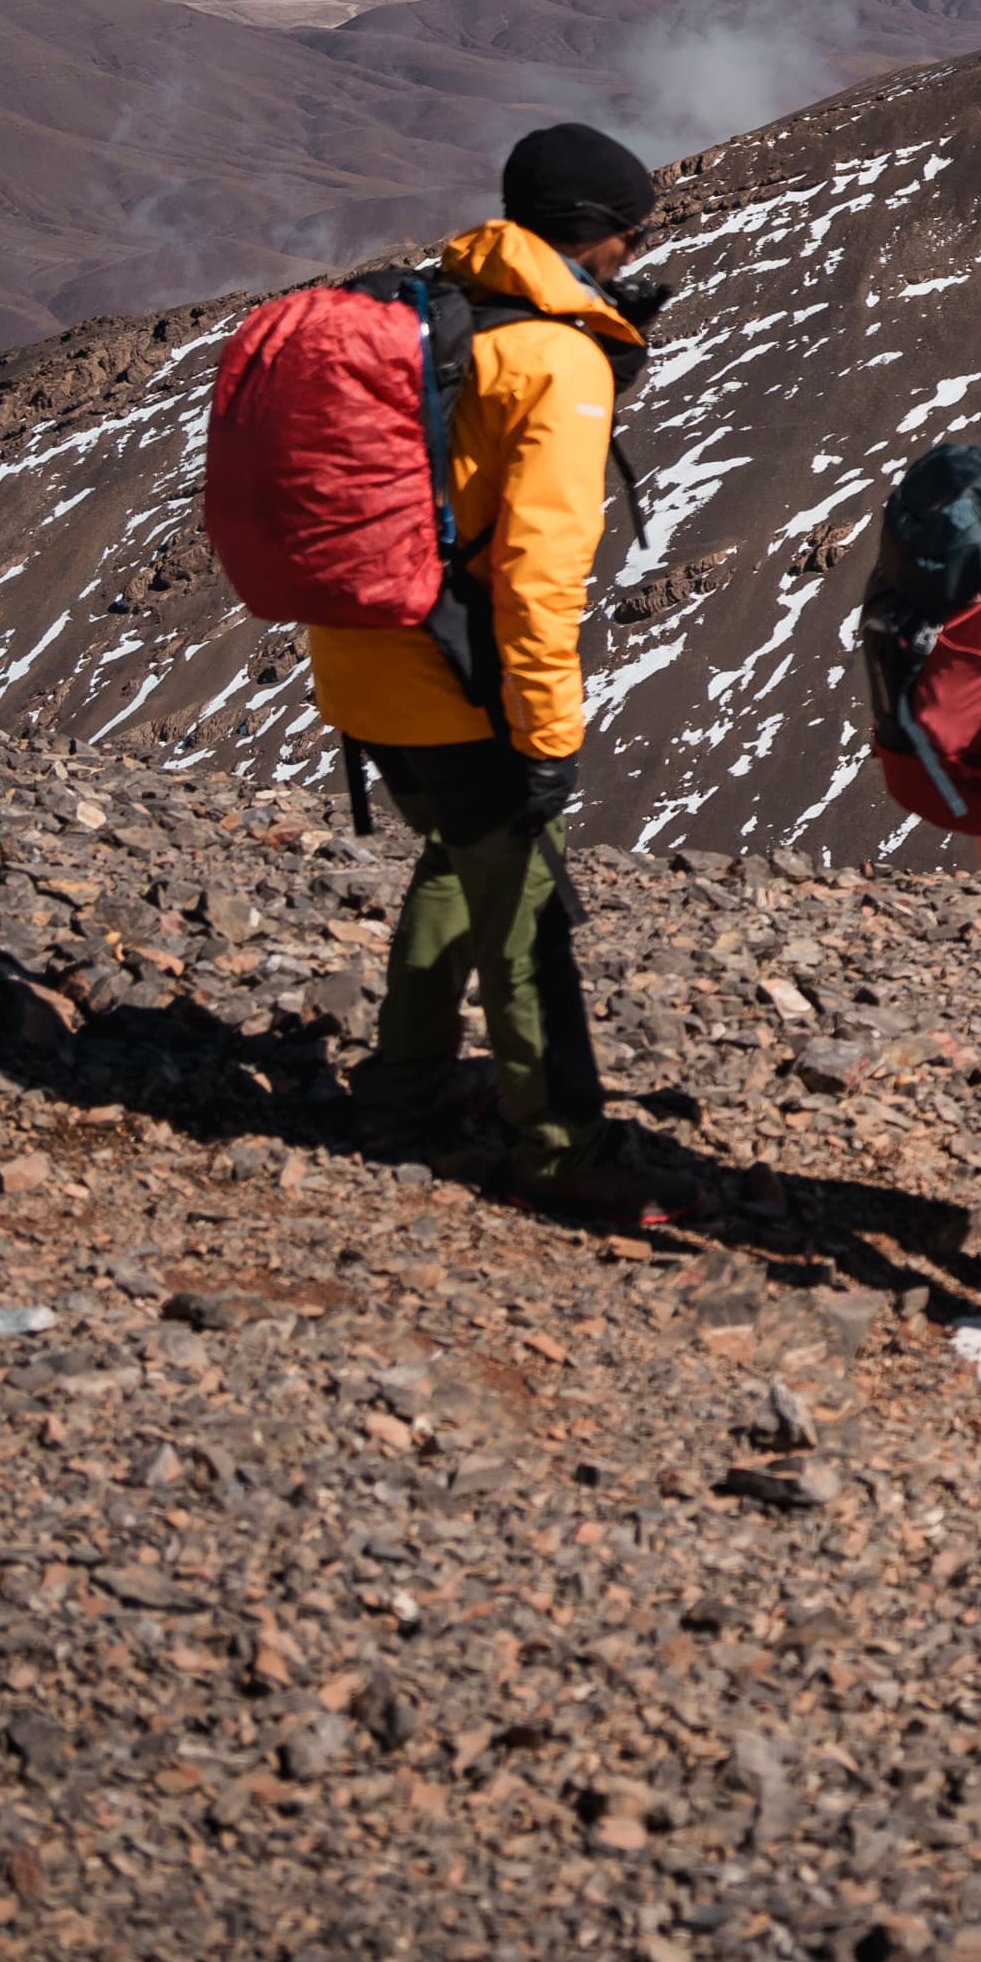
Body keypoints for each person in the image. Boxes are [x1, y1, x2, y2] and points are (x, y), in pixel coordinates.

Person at [322, 124, 670, 1217]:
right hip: (455, 678)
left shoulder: (442, 306)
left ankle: (397, 1094)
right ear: (602, 236)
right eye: (630, 232)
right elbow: (537, 570)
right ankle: (566, 1153)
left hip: (362, 662)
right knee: (529, 920)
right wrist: (551, 737)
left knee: (457, 857)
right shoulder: (554, 358)